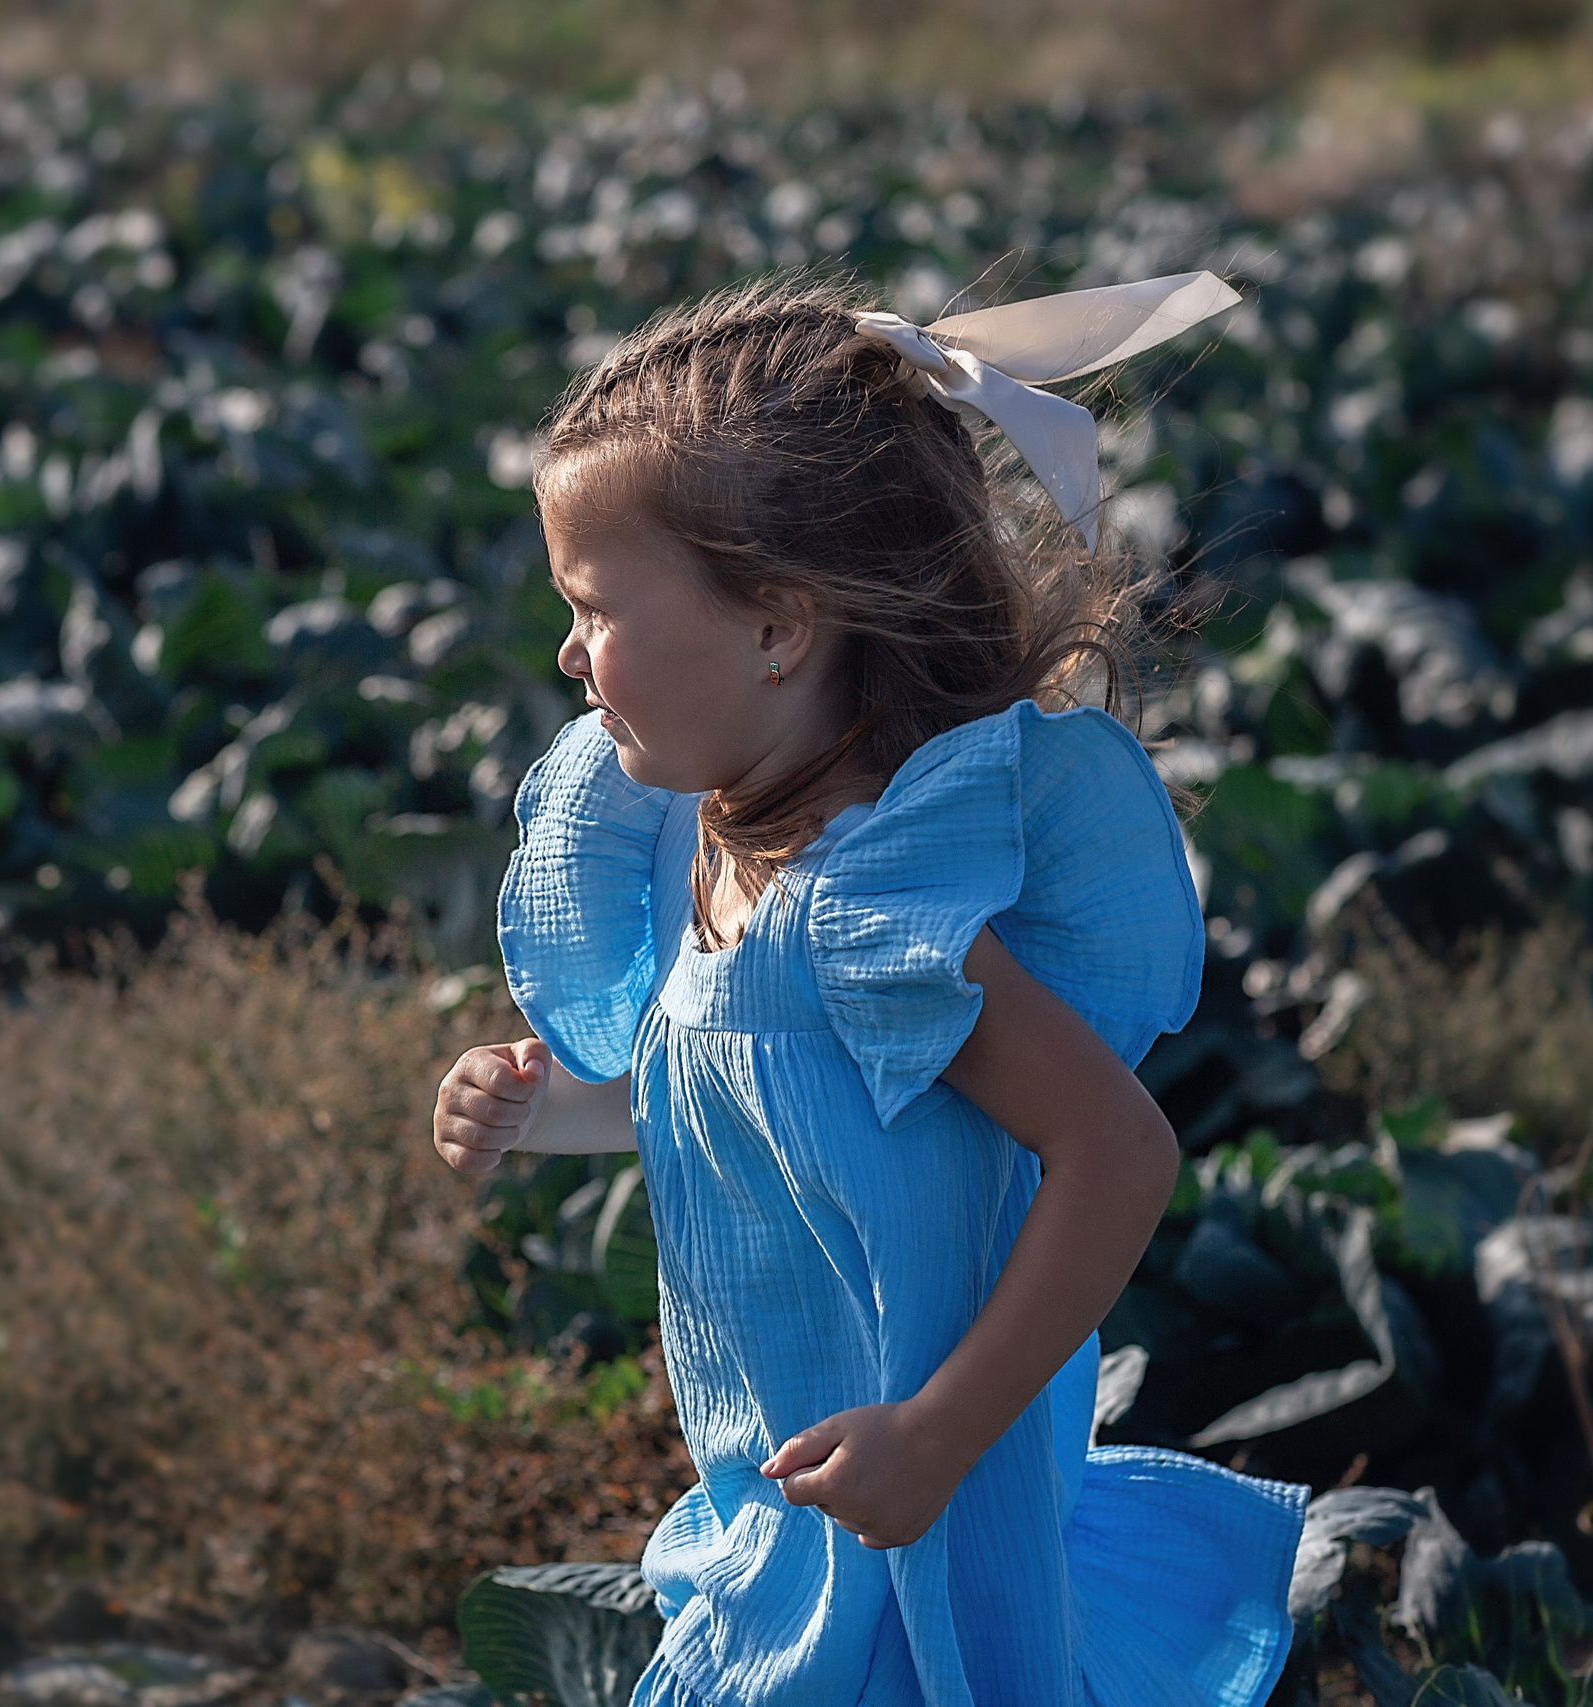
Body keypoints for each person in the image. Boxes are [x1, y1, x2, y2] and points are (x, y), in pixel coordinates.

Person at [430, 271, 1308, 1706]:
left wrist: (942, 1434)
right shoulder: (691, 846)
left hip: (907, 1520)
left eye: (594, 609)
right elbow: (727, 1096)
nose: (567, 653)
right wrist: (545, 1114)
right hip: (781, 1516)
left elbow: (1117, 1148)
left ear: (779, 629)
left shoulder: (869, 914)